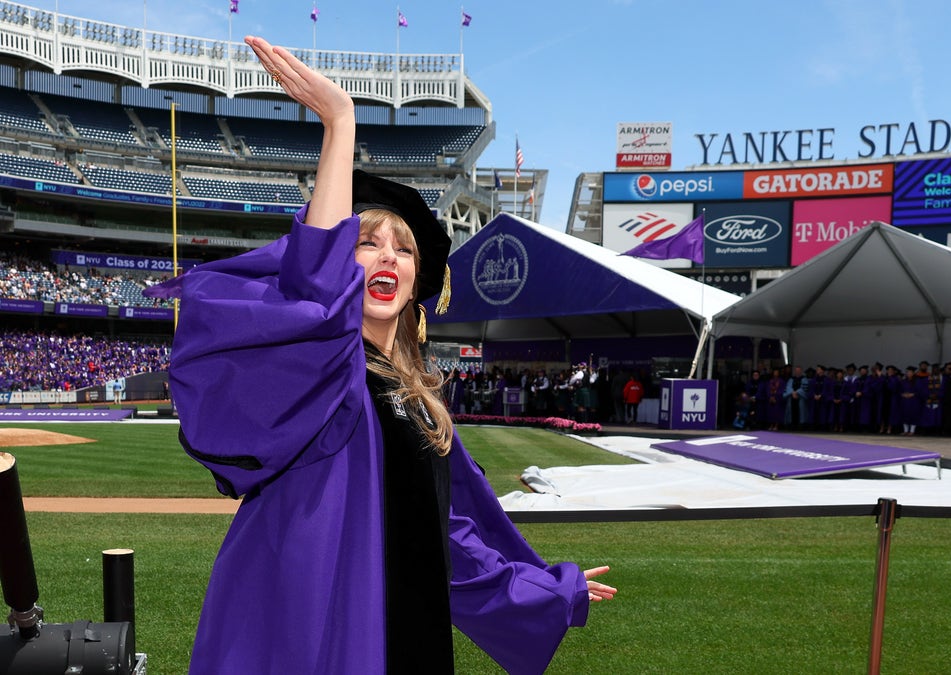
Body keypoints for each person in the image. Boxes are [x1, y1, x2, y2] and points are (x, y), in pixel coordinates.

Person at [146, 36, 614, 675]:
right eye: (367, 243)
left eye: (404, 248)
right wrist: (340, 125)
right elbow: (316, 294)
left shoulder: (418, 405)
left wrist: (548, 590)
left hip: (403, 626)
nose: (389, 255)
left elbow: (449, 540)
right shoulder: (325, 371)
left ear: (419, 282)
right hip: (310, 623)